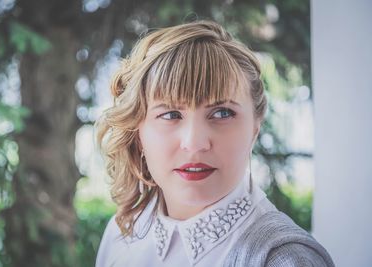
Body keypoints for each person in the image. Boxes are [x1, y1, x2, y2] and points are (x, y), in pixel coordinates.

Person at [94, 20, 335, 267]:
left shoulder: (285, 259)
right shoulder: (121, 233)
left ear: (255, 127)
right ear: (137, 132)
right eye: (170, 115)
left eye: (222, 113)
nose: (195, 143)